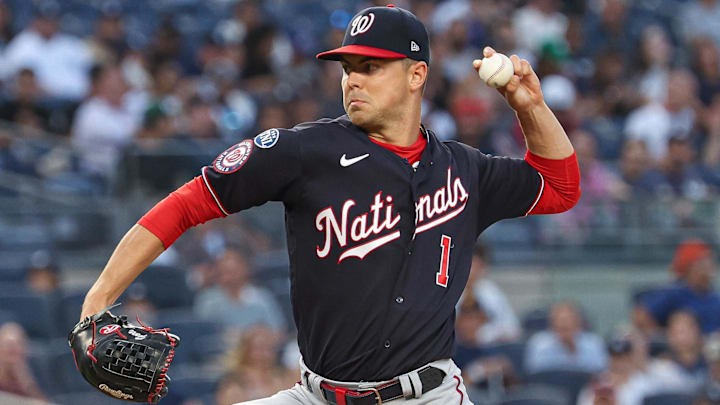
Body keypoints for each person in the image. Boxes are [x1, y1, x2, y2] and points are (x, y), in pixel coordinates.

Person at [79, 5, 580, 404]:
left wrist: (530, 106)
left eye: (371, 67)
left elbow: (560, 188)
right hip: (315, 394)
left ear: (416, 75)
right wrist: (98, 298)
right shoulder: (304, 151)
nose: (352, 79)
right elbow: (187, 203)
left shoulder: (465, 169)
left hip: (428, 397)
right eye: (348, 67)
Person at [524, 302, 608, 373]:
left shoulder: (593, 343)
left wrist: (572, 347)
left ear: (579, 325)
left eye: (569, 328)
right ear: (552, 326)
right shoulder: (539, 344)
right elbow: (535, 375)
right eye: (561, 328)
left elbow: (601, 372)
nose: (565, 333)